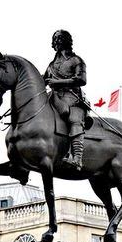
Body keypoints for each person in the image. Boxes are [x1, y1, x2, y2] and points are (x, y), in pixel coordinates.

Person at [44, 29, 87, 170]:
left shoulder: (77, 60)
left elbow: (81, 79)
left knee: (74, 120)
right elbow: (43, 81)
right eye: (55, 40)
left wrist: (58, 83)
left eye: (59, 39)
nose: (57, 42)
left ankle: (77, 158)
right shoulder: (52, 65)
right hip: (54, 98)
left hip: (72, 98)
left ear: (67, 41)